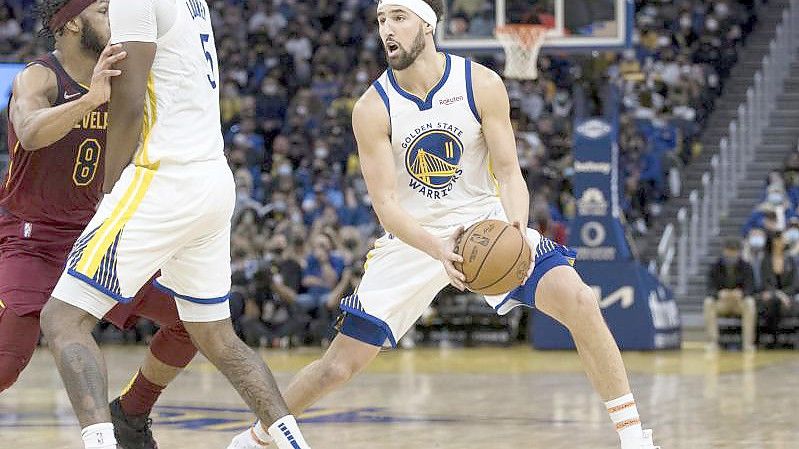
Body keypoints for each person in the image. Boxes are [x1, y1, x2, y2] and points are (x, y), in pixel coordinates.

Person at [229, 1, 658, 448]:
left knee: (579, 301)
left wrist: (515, 228)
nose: (387, 30)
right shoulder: (372, 107)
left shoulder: (481, 84)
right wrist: (437, 248)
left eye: (399, 17)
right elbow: (386, 206)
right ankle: (259, 436)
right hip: (413, 238)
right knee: (339, 367)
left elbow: (510, 174)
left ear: (428, 24)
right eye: (381, 20)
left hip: (484, 223)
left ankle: (633, 438)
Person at [35, 1, 311, 449]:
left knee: (62, 318)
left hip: (163, 176)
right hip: (211, 179)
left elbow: (128, 97)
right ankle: (294, 443)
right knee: (217, 336)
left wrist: (107, 188)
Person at [0, 2, 199, 448]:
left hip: (96, 236)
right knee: (7, 364)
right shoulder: (39, 77)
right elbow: (30, 133)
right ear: (72, 21)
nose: (118, 20)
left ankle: (130, 414)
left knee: (193, 319)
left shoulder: (127, 77)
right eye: (105, 11)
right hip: (32, 240)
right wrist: (91, 99)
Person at [703, 238, 756, 351]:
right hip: (722, 303)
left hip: (739, 303)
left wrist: (742, 293)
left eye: (734, 251)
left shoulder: (746, 266)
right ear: (724, 251)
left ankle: (748, 343)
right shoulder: (715, 266)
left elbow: (751, 288)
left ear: (738, 252)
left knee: (750, 303)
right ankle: (712, 342)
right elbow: (709, 288)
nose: (731, 255)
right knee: (708, 303)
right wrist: (719, 294)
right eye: (729, 251)